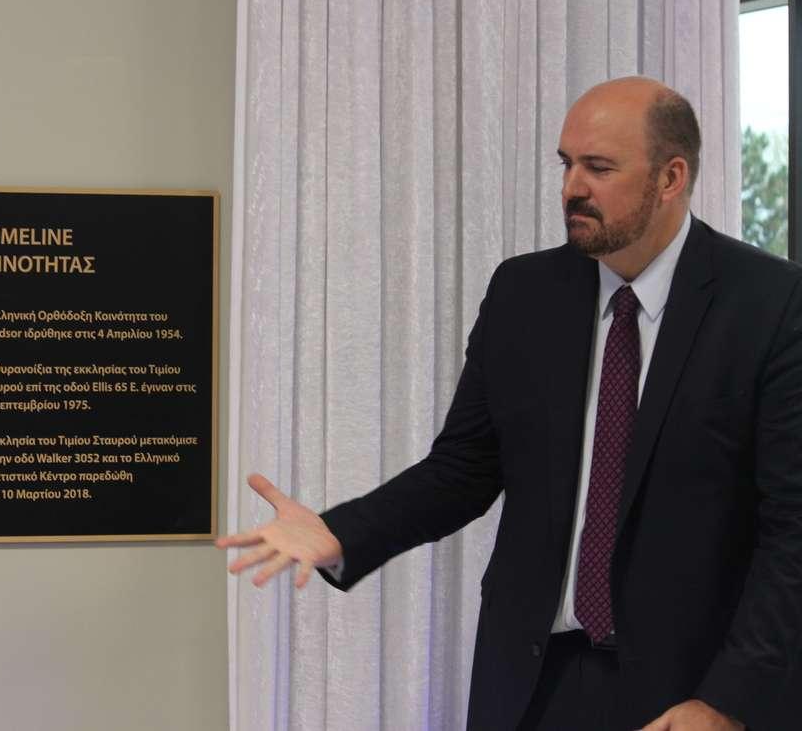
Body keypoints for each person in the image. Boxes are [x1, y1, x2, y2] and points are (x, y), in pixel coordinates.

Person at [218, 76, 802, 730]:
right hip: (531, 681)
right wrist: (339, 531)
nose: (572, 187)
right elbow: (463, 469)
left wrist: (728, 698)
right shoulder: (524, 292)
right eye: (566, 163)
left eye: (598, 167)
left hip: (690, 694)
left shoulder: (771, 305)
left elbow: (792, 530)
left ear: (670, 178)